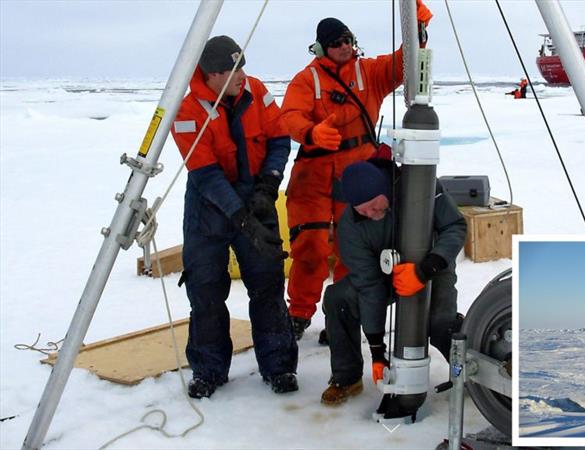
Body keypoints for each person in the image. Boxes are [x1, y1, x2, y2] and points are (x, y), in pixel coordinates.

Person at [280, 1, 433, 341]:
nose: (344, 47)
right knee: (310, 247)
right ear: (321, 48)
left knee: (354, 250)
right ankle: (299, 313)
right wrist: (311, 133)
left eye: (347, 40)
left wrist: (417, 31)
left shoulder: (370, 72)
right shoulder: (307, 81)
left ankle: (343, 314)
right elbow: (289, 116)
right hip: (314, 174)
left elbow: (402, 65)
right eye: (336, 43)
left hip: (359, 174)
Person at [170, 35, 298, 398]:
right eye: (231, 70)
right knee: (206, 289)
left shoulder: (257, 91)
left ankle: (279, 366)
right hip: (208, 205)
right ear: (211, 75)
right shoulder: (188, 109)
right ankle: (208, 371)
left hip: (255, 195)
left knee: (268, 283)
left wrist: (268, 187)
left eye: (242, 66)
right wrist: (241, 217)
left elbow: (278, 139)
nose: (241, 75)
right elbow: (205, 174)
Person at [319, 159, 466, 405]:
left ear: (383, 189)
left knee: (439, 323)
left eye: (374, 206)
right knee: (338, 298)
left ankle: (475, 370)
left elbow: (455, 226)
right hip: (384, 276)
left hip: (433, 267)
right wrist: (378, 350)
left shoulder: (421, 186)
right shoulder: (350, 226)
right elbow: (368, 285)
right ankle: (347, 377)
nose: (370, 214)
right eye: (362, 210)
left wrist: (425, 269)